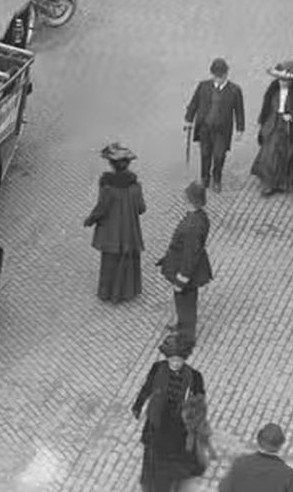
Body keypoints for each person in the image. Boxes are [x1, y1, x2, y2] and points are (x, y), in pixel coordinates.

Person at [131, 335, 207, 492]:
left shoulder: (195, 377)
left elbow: (199, 401)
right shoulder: (157, 368)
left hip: (178, 425)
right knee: (152, 453)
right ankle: (151, 482)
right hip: (157, 421)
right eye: (172, 360)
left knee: (177, 454)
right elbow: (148, 387)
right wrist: (138, 404)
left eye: (179, 360)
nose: (176, 363)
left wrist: (195, 416)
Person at [84, 142, 147, 303]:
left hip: (111, 231)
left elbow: (102, 208)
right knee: (128, 260)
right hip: (129, 231)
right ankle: (128, 292)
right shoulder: (135, 186)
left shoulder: (107, 186)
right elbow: (141, 208)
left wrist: (90, 220)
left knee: (110, 261)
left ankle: (109, 293)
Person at [157, 182, 213, 348]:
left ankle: (186, 337)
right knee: (183, 303)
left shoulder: (192, 226)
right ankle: (182, 327)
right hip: (186, 266)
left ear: (190, 200)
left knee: (186, 303)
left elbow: (189, 256)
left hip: (186, 271)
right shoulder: (200, 217)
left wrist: (181, 279)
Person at [184, 57, 245, 192]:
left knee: (219, 156)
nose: (217, 79)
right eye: (215, 76)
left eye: (220, 76)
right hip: (205, 128)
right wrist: (188, 119)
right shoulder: (203, 86)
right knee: (205, 155)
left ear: (226, 74)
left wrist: (240, 129)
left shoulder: (235, 90)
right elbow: (194, 103)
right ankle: (205, 178)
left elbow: (239, 111)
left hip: (222, 131)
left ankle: (217, 179)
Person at [251, 60, 293, 196]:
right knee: (269, 153)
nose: (282, 82)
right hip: (272, 124)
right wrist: (264, 122)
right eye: (280, 79)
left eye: (285, 80)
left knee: (285, 154)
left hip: (288, 128)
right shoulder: (272, 90)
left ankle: (282, 182)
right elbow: (266, 107)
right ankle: (269, 182)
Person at [218, 423, 293, 492]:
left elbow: (223, 489)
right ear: (281, 444)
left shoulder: (240, 463)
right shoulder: (289, 475)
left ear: (258, 440)